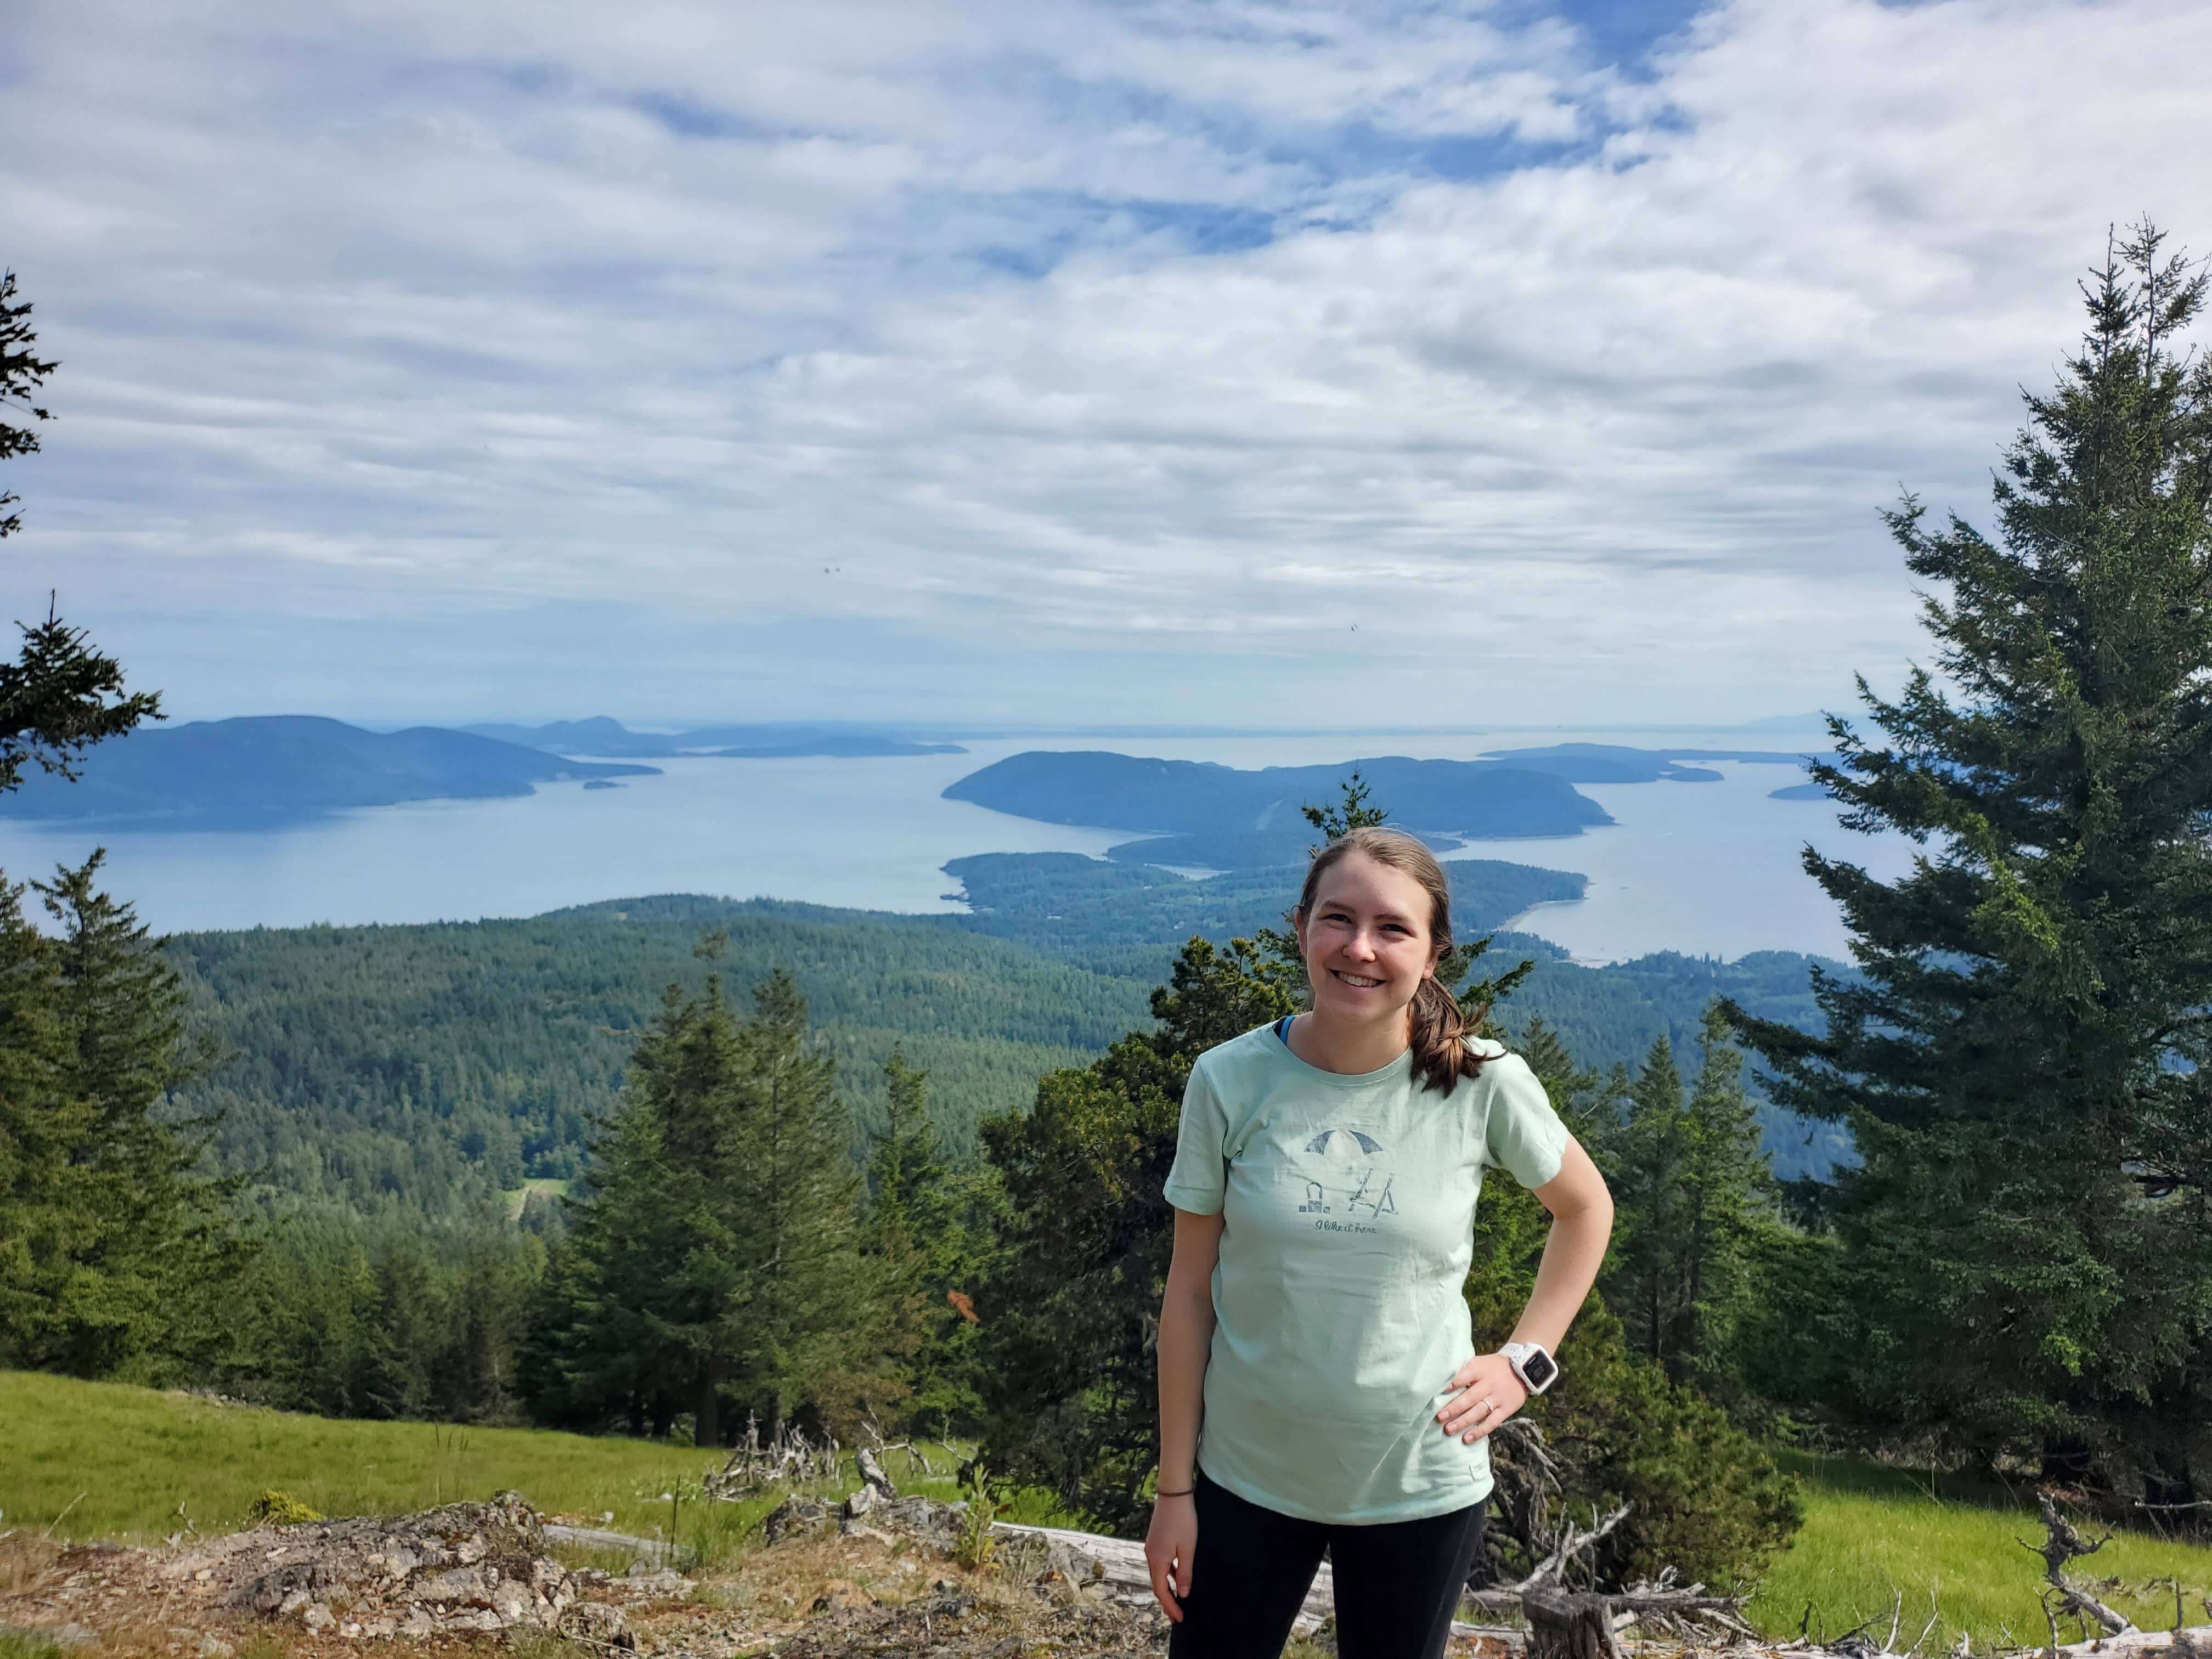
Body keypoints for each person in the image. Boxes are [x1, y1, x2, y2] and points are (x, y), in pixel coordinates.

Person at [1144, 826, 1615, 1659]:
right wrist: (1174, 1490)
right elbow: (1187, 1294)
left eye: (1393, 929)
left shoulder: (1481, 1081)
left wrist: (1525, 1361)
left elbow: (1586, 1210)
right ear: (1301, 929)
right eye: (1337, 919)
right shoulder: (1229, 1080)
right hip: (1246, 1477)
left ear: (1433, 954)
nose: (1360, 948)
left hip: (1422, 1482)